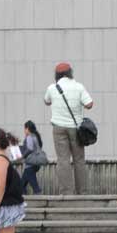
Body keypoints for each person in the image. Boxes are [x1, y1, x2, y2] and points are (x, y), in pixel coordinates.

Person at [44, 62, 94, 195]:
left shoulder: (52, 88)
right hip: (76, 128)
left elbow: (47, 101)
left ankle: (67, 192)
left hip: (59, 128)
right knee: (79, 160)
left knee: (63, 160)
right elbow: (89, 104)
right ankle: (82, 191)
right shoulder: (79, 87)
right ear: (70, 73)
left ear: (57, 75)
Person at [20, 120, 43, 195]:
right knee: (21, 185)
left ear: (27, 129)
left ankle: (38, 195)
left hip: (30, 164)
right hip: (35, 163)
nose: (24, 131)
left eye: (24, 129)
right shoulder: (35, 136)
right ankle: (23, 197)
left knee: (35, 187)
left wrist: (22, 156)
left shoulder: (29, 137)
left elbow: (30, 148)